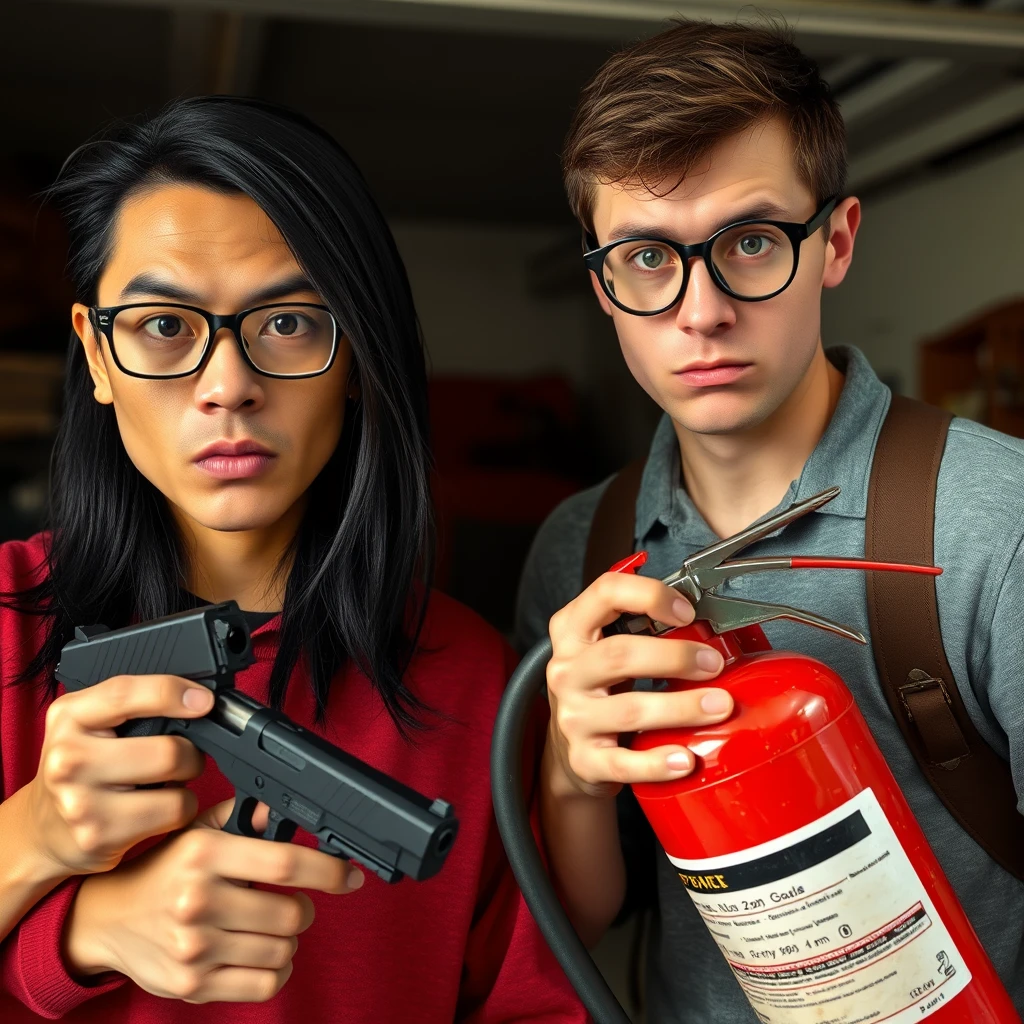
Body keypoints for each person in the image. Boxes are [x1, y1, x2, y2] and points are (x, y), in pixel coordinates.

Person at [0, 96, 585, 1023]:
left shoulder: (475, 680)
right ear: (96, 355)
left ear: (356, 354)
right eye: (163, 326)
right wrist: (54, 881)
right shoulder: (2, 615)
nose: (228, 385)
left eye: (288, 324)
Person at [516, 18, 1024, 1023]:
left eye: (749, 242)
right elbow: (570, 926)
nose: (699, 310)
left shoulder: (994, 524)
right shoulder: (579, 547)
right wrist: (570, 779)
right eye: (647, 257)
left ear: (833, 242)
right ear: (601, 286)